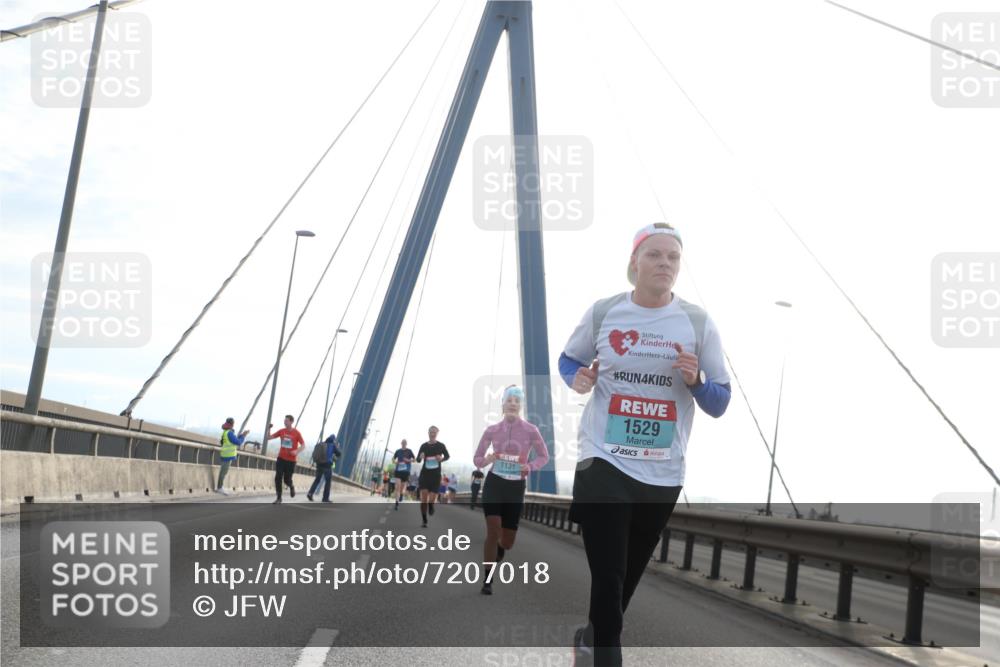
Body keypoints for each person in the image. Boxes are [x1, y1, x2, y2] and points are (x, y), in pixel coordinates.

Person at [559, 223, 731, 666]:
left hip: (661, 473)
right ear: (634, 262)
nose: (665, 263)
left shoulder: (696, 322)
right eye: (655, 255)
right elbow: (568, 359)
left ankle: (590, 638)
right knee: (610, 578)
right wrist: (578, 378)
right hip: (603, 460)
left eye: (673, 257)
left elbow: (720, 402)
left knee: (623, 586)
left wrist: (695, 381)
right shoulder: (604, 312)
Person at [473, 385, 550, 595]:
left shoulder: (531, 430)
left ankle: (499, 550)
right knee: (493, 529)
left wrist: (530, 466)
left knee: (507, 542)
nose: (513, 404)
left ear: (521, 406)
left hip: (516, 487)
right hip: (495, 483)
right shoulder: (491, 430)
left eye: (517, 401)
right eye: (509, 400)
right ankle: (487, 580)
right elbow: (477, 459)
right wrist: (486, 459)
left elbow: (544, 456)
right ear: (503, 405)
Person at [265, 414, 306, 504]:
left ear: (291, 422)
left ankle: (291, 486)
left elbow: (303, 445)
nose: (285, 422)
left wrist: (296, 451)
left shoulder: (296, 433)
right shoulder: (281, 431)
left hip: (291, 460)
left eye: (287, 420)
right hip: (281, 458)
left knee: (287, 480)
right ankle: (279, 498)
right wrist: (269, 428)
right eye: (284, 420)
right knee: (278, 477)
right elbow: (268, 437)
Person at [415, 426, 450, 527]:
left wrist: (441, 459)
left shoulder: (441, 446)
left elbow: (447, 456)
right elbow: (417, 459)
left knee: (432, 500)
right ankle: (424, 519)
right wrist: (420, 457)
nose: (432, 434)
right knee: (424, 498)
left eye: (434, 432)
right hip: (425, 475)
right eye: (431, 432)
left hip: (435, 476)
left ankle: (431, 506)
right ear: (428, 433)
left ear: (437, 433)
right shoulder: (423, 446)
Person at [216, 417, 249, 495]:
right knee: (223, 472)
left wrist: (241, 436)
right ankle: (220, 488)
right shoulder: (229, 433)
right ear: (232, 424)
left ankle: (220, 487)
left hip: (225, 454)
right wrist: (243, 436)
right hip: (227, 455)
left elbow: (233, 441)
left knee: (223, 471)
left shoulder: (226, 432)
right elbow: (238, 442)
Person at [307, 433, 341, 502]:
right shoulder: (333, 445)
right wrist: (337, 447)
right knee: (328, 482)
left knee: (317, 480)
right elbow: (339, 453)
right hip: (327, 466)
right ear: (334, 440)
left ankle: (310, 493)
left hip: (319, 464)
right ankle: (325, 498)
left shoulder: (322, 444)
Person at [392, 439, 415, 510]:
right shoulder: (398, 451)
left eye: (405, 443)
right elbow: (393, 459)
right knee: (397, 487)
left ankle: (401, 494)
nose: (404, 444)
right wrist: (395, 462)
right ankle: (396, 503)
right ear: (401, 443)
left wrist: (408, 460)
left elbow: (415, 459)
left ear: (406, 444)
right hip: (398, 471)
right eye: (403, 443)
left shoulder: (409, 451)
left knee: (402, 488)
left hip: (406, 472)